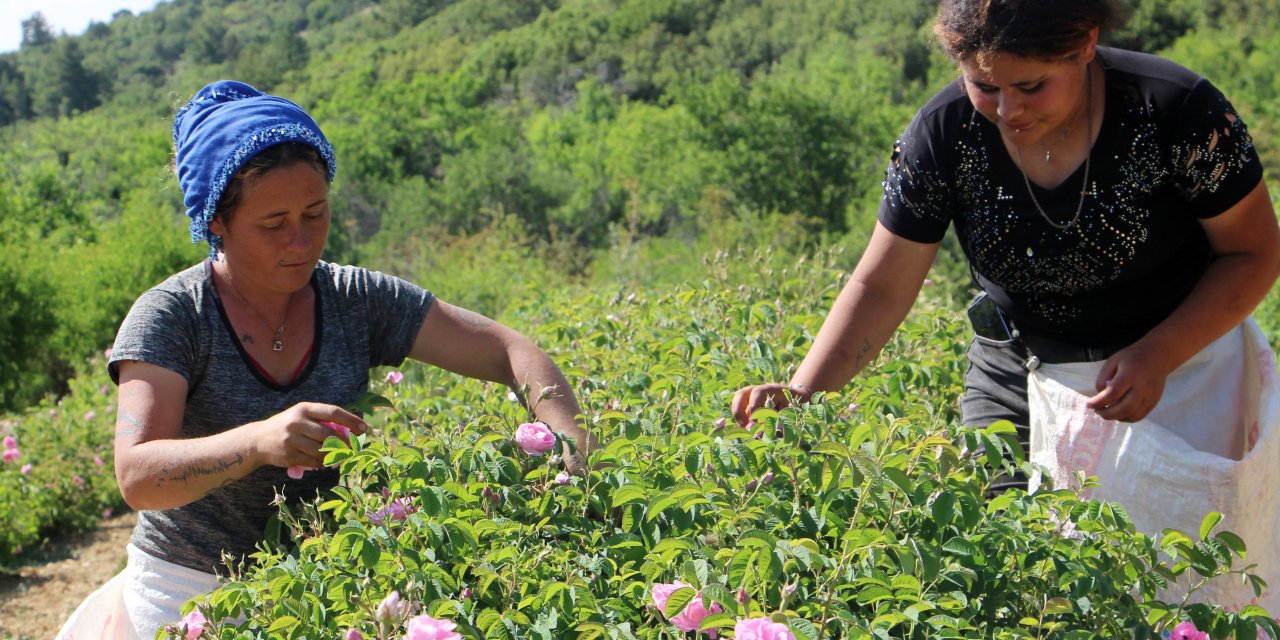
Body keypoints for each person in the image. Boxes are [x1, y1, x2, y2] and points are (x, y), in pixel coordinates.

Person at [57, 80, 600, 639]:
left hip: (327, 579)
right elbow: (138, 475)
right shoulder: (172, 317)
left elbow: (512, 352)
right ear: (216, 221)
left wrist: (575, 455)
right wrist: (258, 442)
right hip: (189, 588)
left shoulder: (355, 299)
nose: (300, 242)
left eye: (315, 214)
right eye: (273, 224)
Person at [732, 0, 1280, 493]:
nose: (1008, 111)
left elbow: (1254, 253)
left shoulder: (1177, 111)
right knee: (1008, 562)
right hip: (1020, 372)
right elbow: (880, 286)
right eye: (985, 87)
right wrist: (803, 396)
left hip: (1183, 372)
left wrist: (1160, 353)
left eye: (1032, 86)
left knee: (1179, 580)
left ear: (1085, 44)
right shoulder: (945, 133)